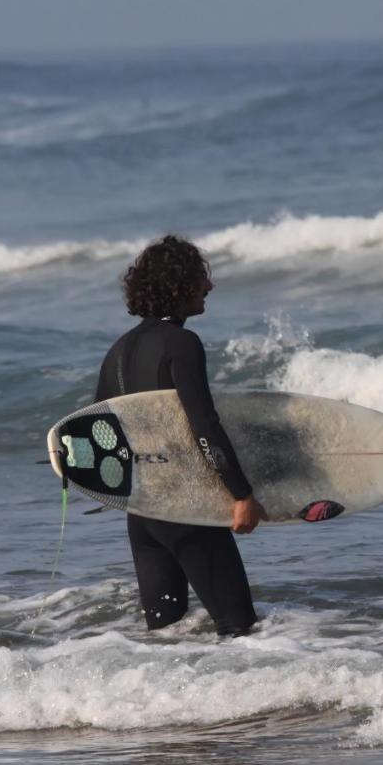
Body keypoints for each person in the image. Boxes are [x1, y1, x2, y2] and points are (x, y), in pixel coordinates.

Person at [95, 235, 266, 637]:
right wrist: (241, 494)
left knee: (164, 635)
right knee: (238, 626)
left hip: (142, 511)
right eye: (200, 279)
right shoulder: (182, 343)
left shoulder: (117, 350)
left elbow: (102, 429)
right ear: (176, 287)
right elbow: (203, 424)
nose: (209, 287)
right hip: (184, 505)